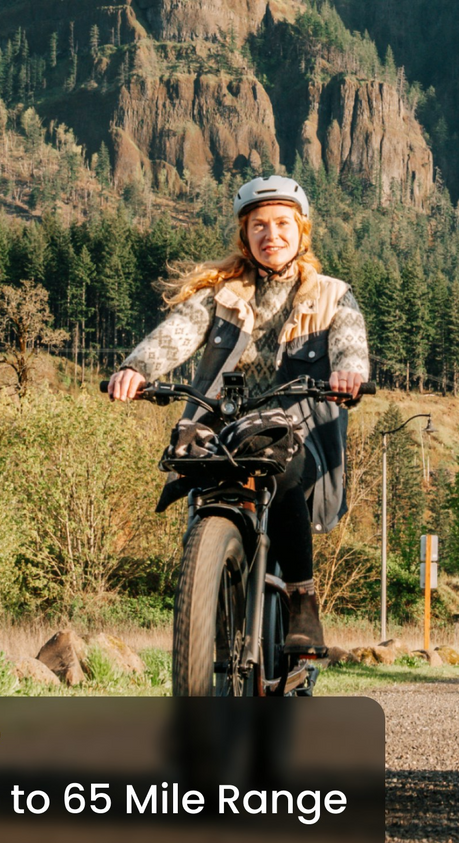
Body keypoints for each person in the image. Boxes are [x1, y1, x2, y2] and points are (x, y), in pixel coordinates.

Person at [107, 175, 369, 648]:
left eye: (283, 224)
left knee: (284, 473)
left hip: (293, 430)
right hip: (221, 426)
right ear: (245, 236)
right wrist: (136, 367)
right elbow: (177, 334)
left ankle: (301, 600)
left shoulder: (333, 294)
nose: (272, 235)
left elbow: (351, 345)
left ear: (301, 231)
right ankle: (207, 588)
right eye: (259, 226)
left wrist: (349, 374)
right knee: (196, 479)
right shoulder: (220, 294)